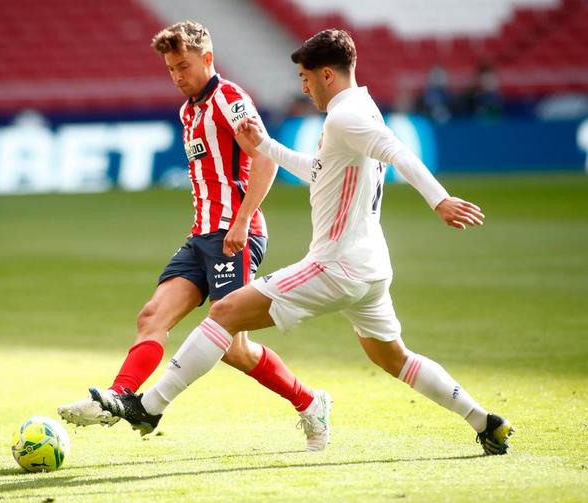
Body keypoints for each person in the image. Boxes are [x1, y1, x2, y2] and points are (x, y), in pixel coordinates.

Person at [91, 29, 515, 456]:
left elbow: (398, 152)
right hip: (371, 270)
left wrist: (440, 200)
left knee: (223, 314)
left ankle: (149, 405)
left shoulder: (344, 117)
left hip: (335, 264)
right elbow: (320, 171)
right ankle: (485, 421)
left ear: (327, 75)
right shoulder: (361, 108)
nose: (303, 86)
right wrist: (267, 146)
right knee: (395, 359)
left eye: (305, 77)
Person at [58, 20, 333, 452]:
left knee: (233, 347)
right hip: (200, 236)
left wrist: (241, 221)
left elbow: (266, 162)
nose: (178, 76)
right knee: (152, 316)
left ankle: (310, 401)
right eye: (170, 69)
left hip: (233, 236)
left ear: (208, 58)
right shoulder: (188, 111)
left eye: (184, 66)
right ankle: (118, 396)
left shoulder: (230, 99)